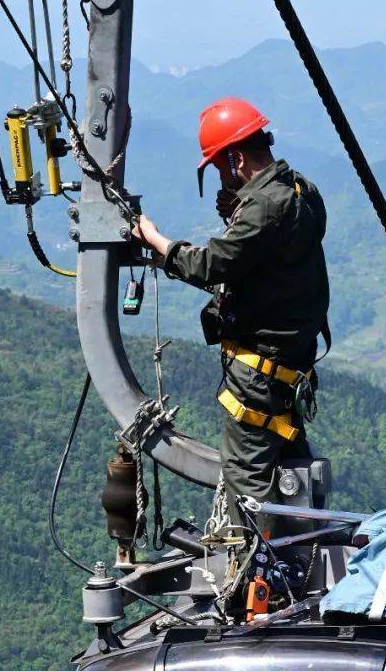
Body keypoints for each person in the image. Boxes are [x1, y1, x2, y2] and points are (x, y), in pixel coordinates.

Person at [132, 97, 329, 516]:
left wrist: (157, 242)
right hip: (290, 371)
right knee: (291, 474)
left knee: (248, 489)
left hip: (259, 376)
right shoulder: (302, 192)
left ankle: (257, 575)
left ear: (236, 157)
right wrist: (239, 218)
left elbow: (211, 265)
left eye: (223, 168)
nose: (224, 179)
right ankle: (295, 558)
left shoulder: (262, 208)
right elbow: (269, 265)